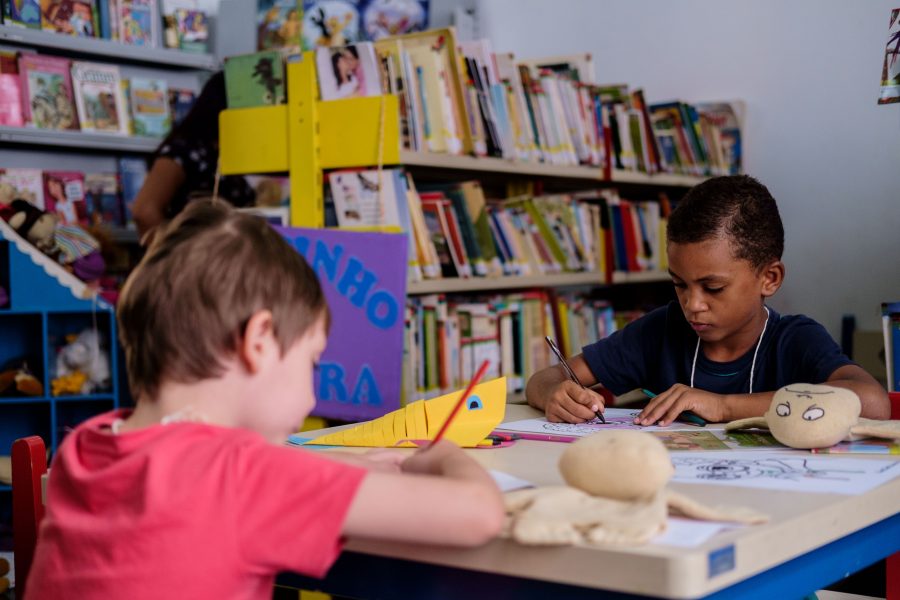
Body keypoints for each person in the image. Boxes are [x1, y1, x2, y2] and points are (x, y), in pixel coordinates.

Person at [27, 200, 505, 598]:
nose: (312, 390)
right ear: (259, 341)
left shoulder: (85, 449)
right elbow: (480, 515)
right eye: (311, 361)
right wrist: (439, 453)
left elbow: (208, 473)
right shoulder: (243, 476)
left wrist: (357, 466)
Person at [526, 175, 890, 426]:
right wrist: (556, 393)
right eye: (679, 285)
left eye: (712, 288)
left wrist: (722, 405)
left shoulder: (795, 340)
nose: (692, 304)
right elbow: (545, 378)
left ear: (769, 278)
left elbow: (873, 403)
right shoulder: (662, 331)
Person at [130, 71, 254, 243]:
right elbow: (144, 211)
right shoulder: (184, 150)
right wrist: (176, 258)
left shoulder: (227, 152)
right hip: (194, 262)